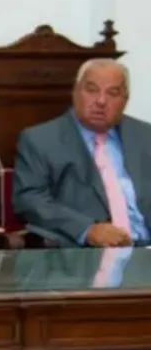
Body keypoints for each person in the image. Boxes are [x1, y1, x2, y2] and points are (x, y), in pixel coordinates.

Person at [13, 59, 151, 247]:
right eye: (92, 90)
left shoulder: (145, 136)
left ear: (125, 100)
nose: (101, 101)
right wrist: (87, 230)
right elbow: (30, 200)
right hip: (85, 255)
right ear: (75, 92)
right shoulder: (40, 140)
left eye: (113, 93)